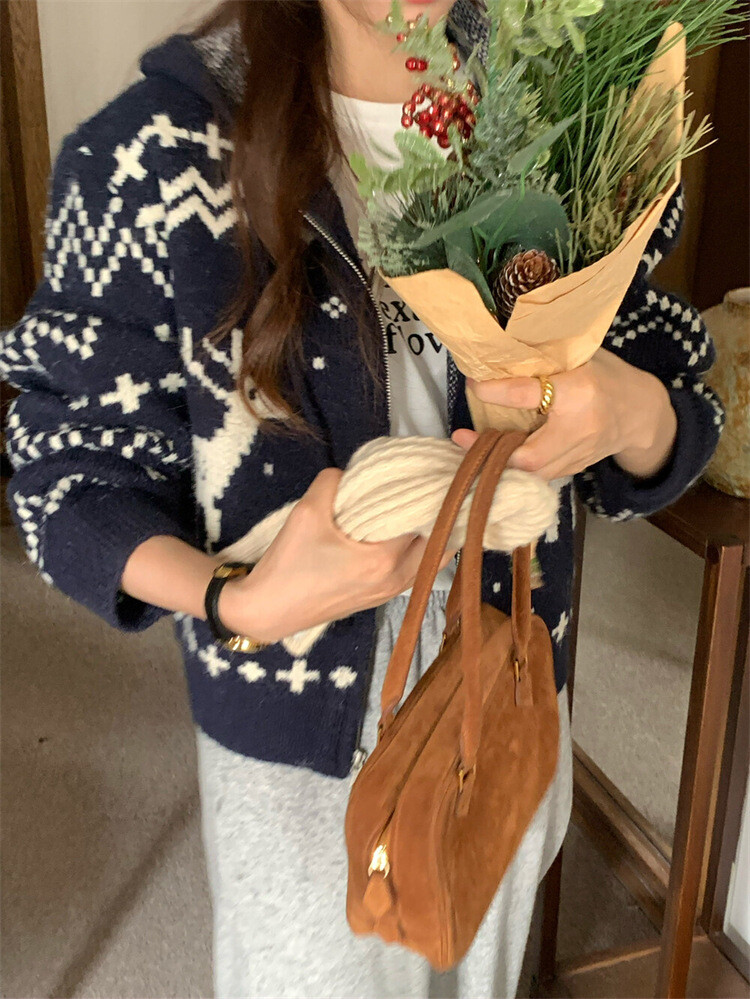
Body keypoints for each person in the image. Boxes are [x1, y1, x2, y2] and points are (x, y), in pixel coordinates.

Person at [1, 1, 724, 996]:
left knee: (481, 966)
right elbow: (67, 475)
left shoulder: (565, 116)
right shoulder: (152, 151)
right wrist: (235, 599)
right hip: (295, 751)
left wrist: (629, 413)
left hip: (507, 688)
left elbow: (674, 395)